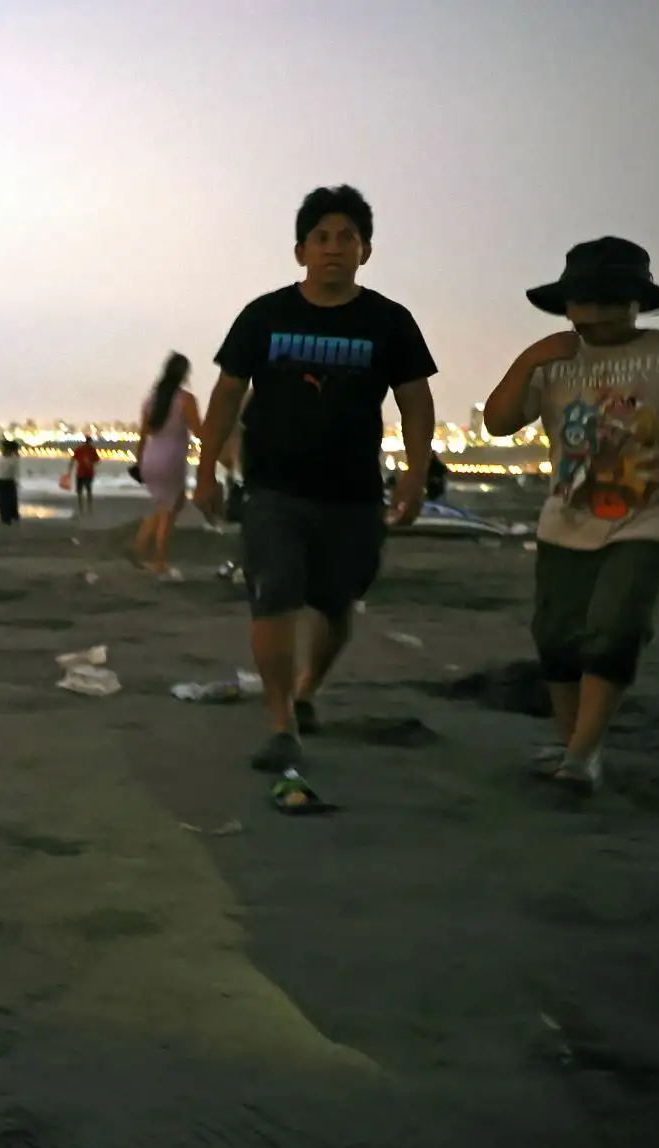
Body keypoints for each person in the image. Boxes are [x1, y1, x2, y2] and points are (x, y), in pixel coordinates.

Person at [192, 185, 438, 771]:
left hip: (353, 491)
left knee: (336, 603)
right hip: (273, 487)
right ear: (300, 250)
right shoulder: (264, 316)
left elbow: (417, 404)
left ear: (366, 251)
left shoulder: (389, 321)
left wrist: (414, 476)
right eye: (321, 238)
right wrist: (204, 472)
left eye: (346, 238)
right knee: (273, 596)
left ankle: (306, 692)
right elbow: (225, 398)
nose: (333, 249)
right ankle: (281, 725)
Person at [481, 238, 659, 794]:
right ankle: (572, 744)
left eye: (613, 300)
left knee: (615, 630)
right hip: (565, 518)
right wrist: (527, 361)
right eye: (586, 301)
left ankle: (584, 752)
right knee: (556, 639)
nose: (597, 314)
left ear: (637, 302)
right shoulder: (554, 359)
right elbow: (498, 424)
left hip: (652, 517)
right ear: (567, 305)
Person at [132, 352, 202, 578]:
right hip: (171, 459)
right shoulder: (186, 400)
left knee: (170, 503)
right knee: (168, 510)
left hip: (151, 458)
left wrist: (139, 463)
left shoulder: (151, 401)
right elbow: (199, 431)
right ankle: (158, 560)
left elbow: (142, 436)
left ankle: (140, 545)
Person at [71, 435, 101, 516]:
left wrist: (69, 471)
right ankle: (89, 509)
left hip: (81, 473)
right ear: (90, 441)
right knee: (88, 491)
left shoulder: (80, 448)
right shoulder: (92, 449)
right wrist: (90, 463)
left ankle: (81, 509)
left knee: (80, 492)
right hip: (88, 473)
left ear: (85, 441)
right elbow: (98, 461)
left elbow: (72, 459)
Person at [0, 439, 22, 525]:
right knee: (8, 499)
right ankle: (9, 517)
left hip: (5, 480)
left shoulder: (5, 458)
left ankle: (8, 516)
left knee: (5, 499)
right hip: (5, 480)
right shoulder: (11, 458)